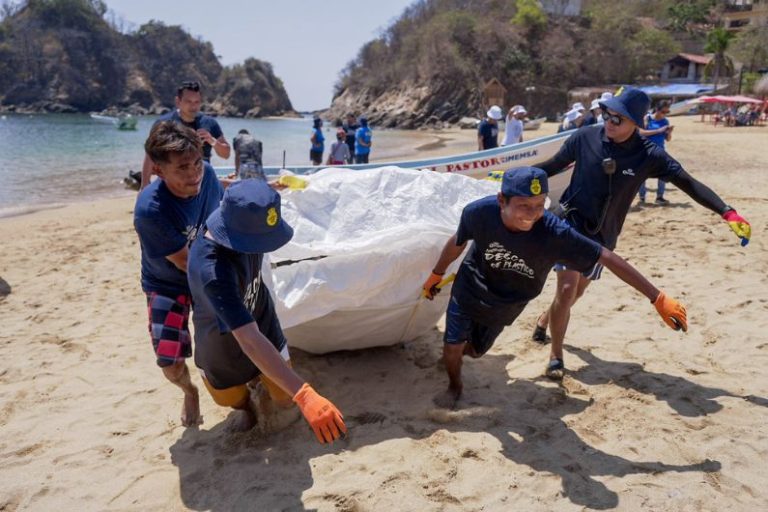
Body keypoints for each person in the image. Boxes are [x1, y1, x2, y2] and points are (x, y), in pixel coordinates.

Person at [530, 87, 751, 379]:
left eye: (617, 118)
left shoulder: (648, 155)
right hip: (570, 223)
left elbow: (688, 182)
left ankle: (545, 319)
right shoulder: (584, 137)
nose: (609, 122)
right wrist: (515, 178)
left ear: (635, 122)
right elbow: (552, 166)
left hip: (603, 235)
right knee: (567, 288)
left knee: (576, 292)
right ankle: (556, 356)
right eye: (606, 114)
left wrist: (727, 211)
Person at [422, 167, 688, 407]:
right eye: (524, 205)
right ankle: (455, 386)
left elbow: (605, 256)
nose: (532, 214)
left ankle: (459, 353)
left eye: (539, 205)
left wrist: (657, 297)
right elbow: (458, 241)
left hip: (509, 301)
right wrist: (436, 274)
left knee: (475, 352)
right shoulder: (478, 213)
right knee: (453, 345)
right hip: (470, 286)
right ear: (502, 200)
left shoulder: (553, 233)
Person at [186, 179, 347, 442]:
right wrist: (305, 394)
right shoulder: (212, 272)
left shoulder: (241, 218)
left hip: (259, 317)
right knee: (231, 399)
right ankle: (247, 407)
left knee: (284, 398)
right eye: (260, 240)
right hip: (220, 344)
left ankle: (267, 391)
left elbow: (246, 190)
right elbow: (248, 340)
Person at [133, 121, 225, 427]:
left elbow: (219, 219)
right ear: (158, 171)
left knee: (229, 341)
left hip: (205, 267)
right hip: (166, 283)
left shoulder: (207, 175)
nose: (194, 173)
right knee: (170, 363)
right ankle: (189, 391)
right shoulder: (150, 210)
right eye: (182, 168)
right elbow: (187, 263)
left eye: (196, 162)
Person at [140, 81, 231, 189]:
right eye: (189, 101)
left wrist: (212, 141)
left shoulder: (209, 123)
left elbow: (226, 154)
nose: (193, 106)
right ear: (178, 101)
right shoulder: (164, 124)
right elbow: (150, 155)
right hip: (172, 184)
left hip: (202, 181)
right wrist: (144, 184)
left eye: (197, 102)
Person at [637, 100, 673, 205]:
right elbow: (641, 133)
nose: (665, 114)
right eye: (663, 112)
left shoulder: (665, 121)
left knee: (663, 174)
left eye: (667, 112)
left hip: (660, 150)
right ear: (657, 109)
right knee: (642, 175)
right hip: (646, 151)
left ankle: (659, 197)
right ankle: (642, 197)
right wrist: (659, 130)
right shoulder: (647, 118)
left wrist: (669, 133)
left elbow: (667, 139)